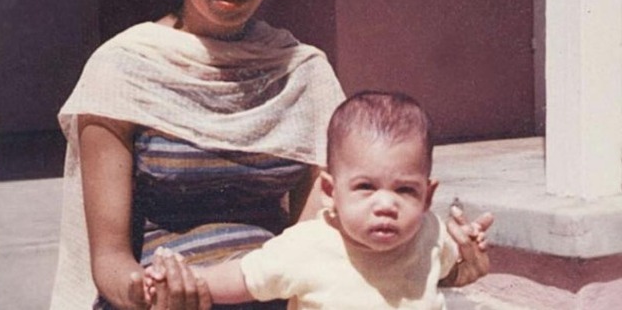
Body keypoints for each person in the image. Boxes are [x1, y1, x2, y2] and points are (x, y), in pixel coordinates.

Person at [48, 0, 492, 309]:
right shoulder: (124, 69)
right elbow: (108, 259)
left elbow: (330, 233)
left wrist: (447, 263)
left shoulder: (302, 72)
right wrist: (150, 294)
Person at [146, 91, 492, 309]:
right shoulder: (308, 245)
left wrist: (469, 255)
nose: (386, 204)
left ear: (428, 196)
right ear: (330, 192)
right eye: (365, 187)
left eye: (405, 190)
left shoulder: (430, 234)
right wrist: (189, 278)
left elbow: (448, 272)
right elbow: (243, 278)